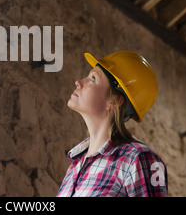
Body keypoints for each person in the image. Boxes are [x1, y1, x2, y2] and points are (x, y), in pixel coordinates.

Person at [57, 50, 168, 197]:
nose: (78, 82)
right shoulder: (75, 167)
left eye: (93, 78)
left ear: (114, 101)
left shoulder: (138, 158)